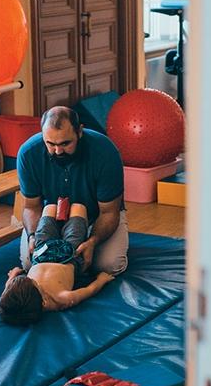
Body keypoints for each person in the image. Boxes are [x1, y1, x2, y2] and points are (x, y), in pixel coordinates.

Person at [17, 105, 128, 276]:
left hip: (97, 216)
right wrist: (33, 236)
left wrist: (92, 241)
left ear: (79, 132)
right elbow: (31, 207)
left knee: (109, 265)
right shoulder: (28, 153)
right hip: (51, 217)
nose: (57, 151)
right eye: (50, 144)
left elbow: (109, 212)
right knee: (29, 263)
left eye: (65, 143)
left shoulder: (105, 152)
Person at [0, 202, 114, 325]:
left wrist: (13, 274)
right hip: (70, 254)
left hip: (42, 252)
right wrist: (101, 280)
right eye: (34, 283)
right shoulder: (62, 299)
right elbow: (89, 290)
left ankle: (56, 206)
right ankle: (76, 212)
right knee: (78, 208)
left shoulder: (16, 294)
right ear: (43, 302)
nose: (31, 279)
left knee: (50, 208)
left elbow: (8, 287)